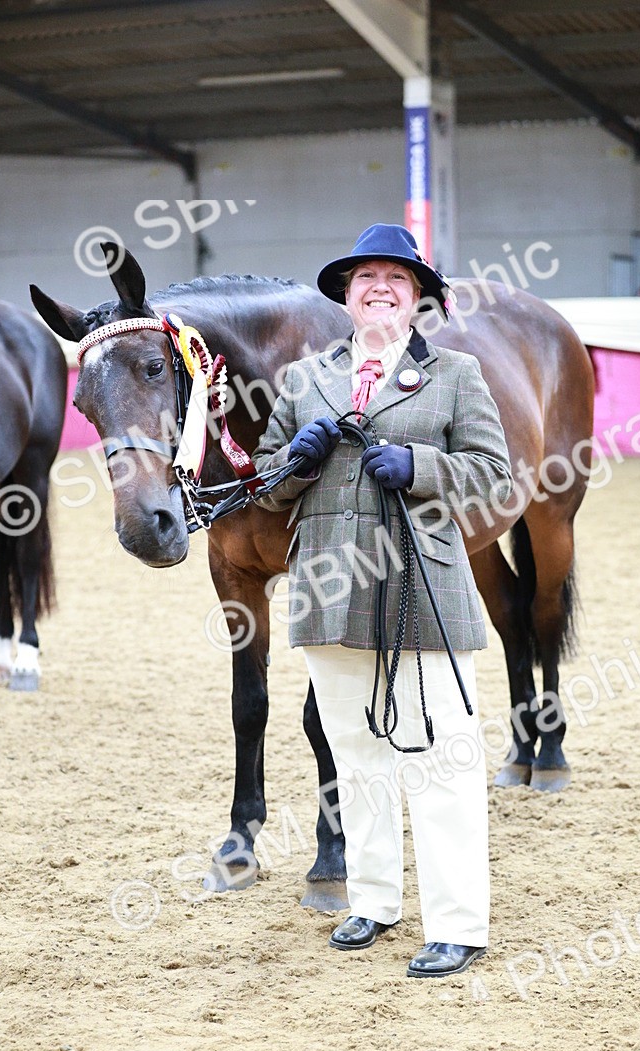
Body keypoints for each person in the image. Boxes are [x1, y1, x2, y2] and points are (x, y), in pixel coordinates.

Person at [252, 223, 512, 979]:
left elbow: (496, 475)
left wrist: (423, 464)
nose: (379, 289)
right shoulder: (305, 380)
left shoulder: (457, 373)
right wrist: (294, 465)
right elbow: (266, 480)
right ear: (346, 294)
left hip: (418, 584)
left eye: (395, 280)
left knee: (439, 760)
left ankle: (458, 922)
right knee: (358, 755)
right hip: (330, 586)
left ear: (420, 298)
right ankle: (372, 900)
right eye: (366, 278)